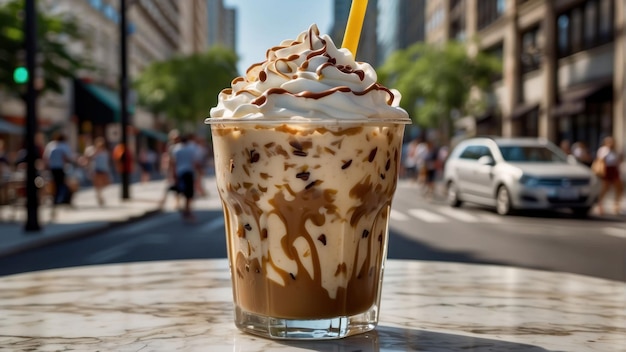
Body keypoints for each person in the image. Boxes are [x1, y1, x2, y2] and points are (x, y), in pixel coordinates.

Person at [171, 134, 200, 221]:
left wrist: (173, 173)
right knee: (189, 193)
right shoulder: (191, 149)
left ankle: (180, 205)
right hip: (189, 171)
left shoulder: (176, 149)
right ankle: (187, 208)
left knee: (181, 190)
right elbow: (194, 161)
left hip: (179, 172)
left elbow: (173, 162)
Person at [594, 136, 624, 215]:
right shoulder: (604, 150)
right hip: (606, 170)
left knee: (619, 187)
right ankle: (600, 205)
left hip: (614, 170)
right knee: (605, 188)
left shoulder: (615, 151)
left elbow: (618, 160)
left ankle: (616, 205)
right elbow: (600, 160)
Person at [43, 132, 74, 207]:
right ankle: (65, 198)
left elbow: (46, 157)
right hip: (61, 167)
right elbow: (69, 157)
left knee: (56, 183)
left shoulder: (51, 145)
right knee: (62, 183)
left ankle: (56, 199)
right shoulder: (64, 145)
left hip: (52, 167)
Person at [85, 137, 111, 206]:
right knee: (97, 184)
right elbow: (88, 157)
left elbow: (107, 162)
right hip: (97, 169)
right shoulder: (95, 152)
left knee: (104, 184)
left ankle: (100, 195)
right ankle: (99, 196)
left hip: (104, 169)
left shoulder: (105, 152)